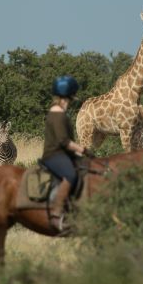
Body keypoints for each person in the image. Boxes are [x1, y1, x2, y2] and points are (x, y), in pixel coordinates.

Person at [41, 75, 94, 232]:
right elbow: (64, 141)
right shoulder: (57, 113)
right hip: (53, 155)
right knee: (71, 175)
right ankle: (56, 214)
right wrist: (83, 150)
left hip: (63, 154)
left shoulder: (61, 112)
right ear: (69, 95)